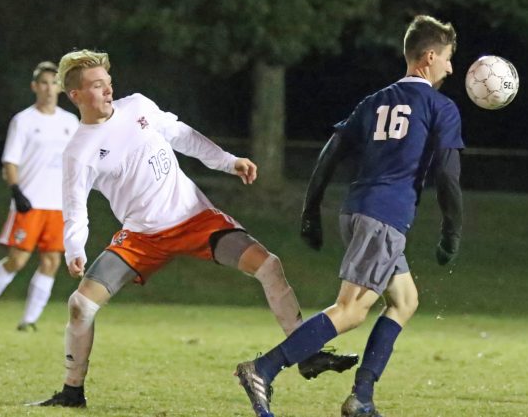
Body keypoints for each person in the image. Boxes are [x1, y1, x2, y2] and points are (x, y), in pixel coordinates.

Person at [28, 49, 357, 408]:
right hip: (141, 236)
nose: (107, 91)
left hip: (194, 219)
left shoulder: (137, 107)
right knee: (80, 305)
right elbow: (75, 208)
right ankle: (72, 391)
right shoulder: (79, 150)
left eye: (108, 83)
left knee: (269, 265)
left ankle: (305, 354)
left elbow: (184, 136)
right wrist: (75, 249)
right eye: (96, 86)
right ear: (75, 95)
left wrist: (228, 162)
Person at [236, 15, 464, 417]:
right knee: (351, 310)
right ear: (429, 57)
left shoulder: (375, 101)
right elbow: (447, 173)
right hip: (384, 218)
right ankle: (262, 369)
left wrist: (312, 210)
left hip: (358, 209)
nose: (450, 68)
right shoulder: (439, 106)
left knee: (405, 300)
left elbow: (330, 154)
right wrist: (451, 229)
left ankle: (362, 397)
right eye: (447, 59)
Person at [0, 61, 79, 332]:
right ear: (34, 87)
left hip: (57, 204)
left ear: (61, 87)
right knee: (17, 260)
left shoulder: (69, 122)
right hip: (30, 202)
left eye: (54, 83)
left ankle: (28, 321)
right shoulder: (24, 120)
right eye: (44, 83)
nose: (49, 89)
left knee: (52, 262)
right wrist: (17, 191)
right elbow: (10, 162)